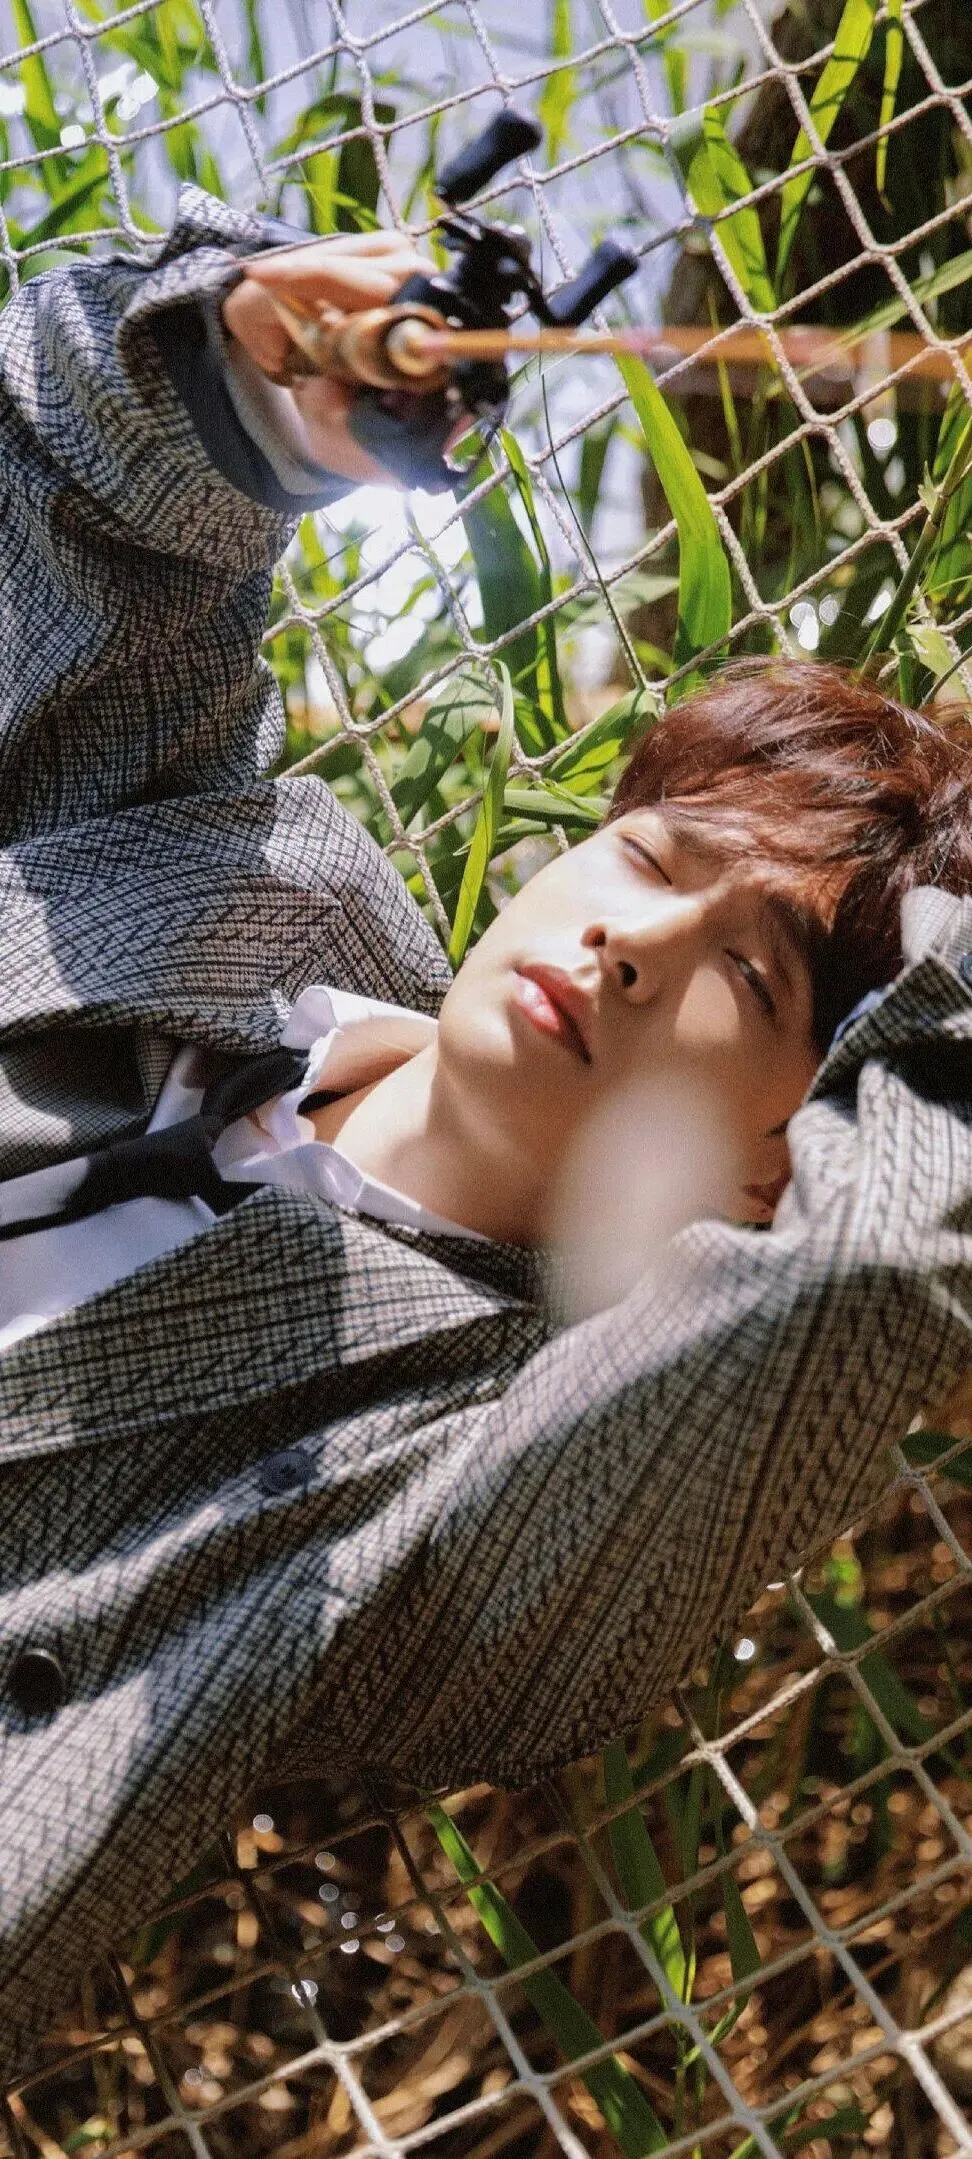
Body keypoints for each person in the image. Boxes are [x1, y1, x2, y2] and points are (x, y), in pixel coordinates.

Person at [1, 185, 971, 2084]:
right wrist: (252, 386)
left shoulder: (487, 1478)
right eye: (653, 858)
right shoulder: (213, 892)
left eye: (747, 976)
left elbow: (858, 1286)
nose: (634, 944)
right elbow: (64, 524)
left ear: (779, 1160)